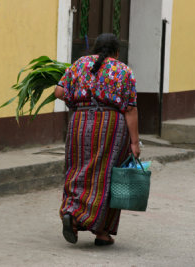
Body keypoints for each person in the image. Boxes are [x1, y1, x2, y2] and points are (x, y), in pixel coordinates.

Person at [54, 33, 140, 246]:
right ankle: (102, 232)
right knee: (109, 175)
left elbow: (58, 92)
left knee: (77, 169)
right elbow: (130, 109)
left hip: (80, 122)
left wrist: (77, 100)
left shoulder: (79, 64)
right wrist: (135, 143)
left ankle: (72, 214)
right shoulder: (123, 70)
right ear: (117, 52)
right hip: (111, 125)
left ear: (94, 48)